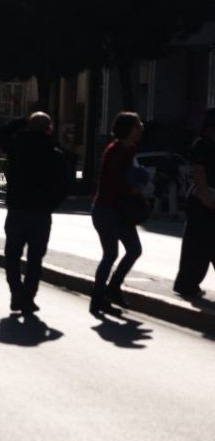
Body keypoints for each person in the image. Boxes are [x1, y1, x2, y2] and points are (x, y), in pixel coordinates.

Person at [0, 112, 70, 314]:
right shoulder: (54, 153)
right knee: (35, 258)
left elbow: (0, 135)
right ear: (49, 129)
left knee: (12, 255)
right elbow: (64, 185)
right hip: (41, 213)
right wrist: (51, 204)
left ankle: (16, 292)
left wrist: (19, 122)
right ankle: (28, 296)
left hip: (17, 209)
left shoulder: (17, 147)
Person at [90, 112, 147, 316]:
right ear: (128, 129)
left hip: (121, 211)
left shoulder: (130, 149)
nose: (141, 128)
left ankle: (113, 287)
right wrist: (135, 190)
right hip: (106, 209)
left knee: (134, 249)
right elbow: (116, 183)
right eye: (137, 125)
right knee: (110, 253)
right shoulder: (115, 151)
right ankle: (97, 298)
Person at [174, 108, 215, 298]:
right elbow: (199, 171)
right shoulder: (202, 144)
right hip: (202, 201)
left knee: (203, 245)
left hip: (207, 201)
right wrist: (206, 196)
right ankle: (187, 284)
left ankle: (187, 283)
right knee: (197, 246)